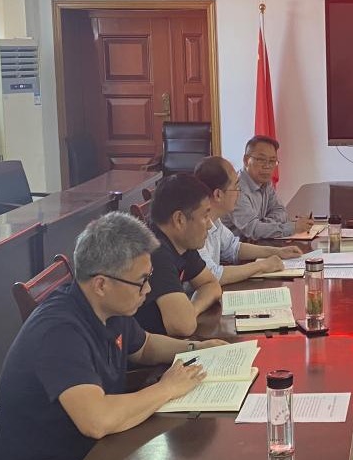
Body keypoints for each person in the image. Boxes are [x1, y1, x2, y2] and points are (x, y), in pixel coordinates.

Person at [0, 212, 227, 460]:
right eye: (141, 281)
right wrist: (167, 388)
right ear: (101, 284)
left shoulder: (109, 307)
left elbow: (145, 346)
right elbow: (97, 420)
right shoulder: (59, 331)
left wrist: (196, 348)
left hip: (95, 454)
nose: (148, 289)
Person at [134, 174, 223, 337]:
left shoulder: (181, 242)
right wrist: (188, 314)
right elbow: (183, 326)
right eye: (205, 216)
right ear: (180, 219)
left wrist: (192, 309)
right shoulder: (155, 253)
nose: (210, 225)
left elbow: (211, 284)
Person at [193, 156, 303, 285]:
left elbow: (233, 248)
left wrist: (278, 252)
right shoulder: (194, 227)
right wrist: (262, 265)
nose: (239, 193)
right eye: (236, 187)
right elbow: (213, 276)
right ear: (218, 195)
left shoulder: (215, 221)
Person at [225, 136, 314, 241]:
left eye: (272, 161)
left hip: (255, 243)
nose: (267, 166)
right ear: (246, 160)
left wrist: (264, 224)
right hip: (235, 248)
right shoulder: (236, 189)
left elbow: (281, 211)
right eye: (261, 160)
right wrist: (293, 228)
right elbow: (253, 230)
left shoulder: (265, 182)